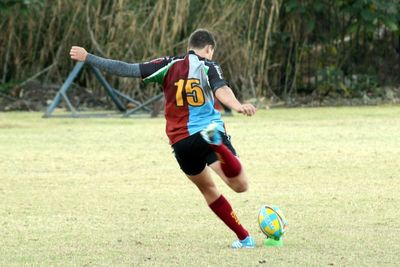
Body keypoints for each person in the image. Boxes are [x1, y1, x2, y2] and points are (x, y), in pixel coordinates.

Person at [70, 29, 257, 248]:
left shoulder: (166, 64)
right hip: (206, 134)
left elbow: (126, 69)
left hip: (180, 143)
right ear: (209, 48)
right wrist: (237, 106)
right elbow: (220, 88)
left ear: (189, 46)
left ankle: (245, 238)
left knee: (208, 190)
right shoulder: (209, 65)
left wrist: (88, 57)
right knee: (240, 185)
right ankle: (217, 144)